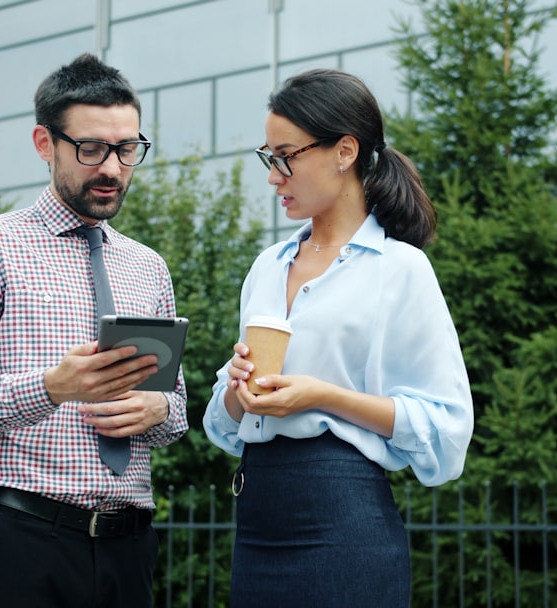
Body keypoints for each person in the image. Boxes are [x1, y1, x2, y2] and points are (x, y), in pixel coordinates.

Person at [0, 53, 188, 608]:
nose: (112, 168)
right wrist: (50, 388)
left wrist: (160, 411)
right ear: (45, 143)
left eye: (128, 149)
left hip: (129, 550)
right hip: (21, 546)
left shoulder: (148, 266)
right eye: (91, 149)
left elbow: (176, 411)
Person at [203, 68, 475, 607]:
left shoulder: (401, 268)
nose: (274, 175)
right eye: (268, 157)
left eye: (286, 156)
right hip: (257, 519)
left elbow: (445, 430)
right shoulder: (266, 267)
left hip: (344, 523)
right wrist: (237, 390)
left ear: (344, 151)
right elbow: (225, 426)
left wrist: (324, 396)